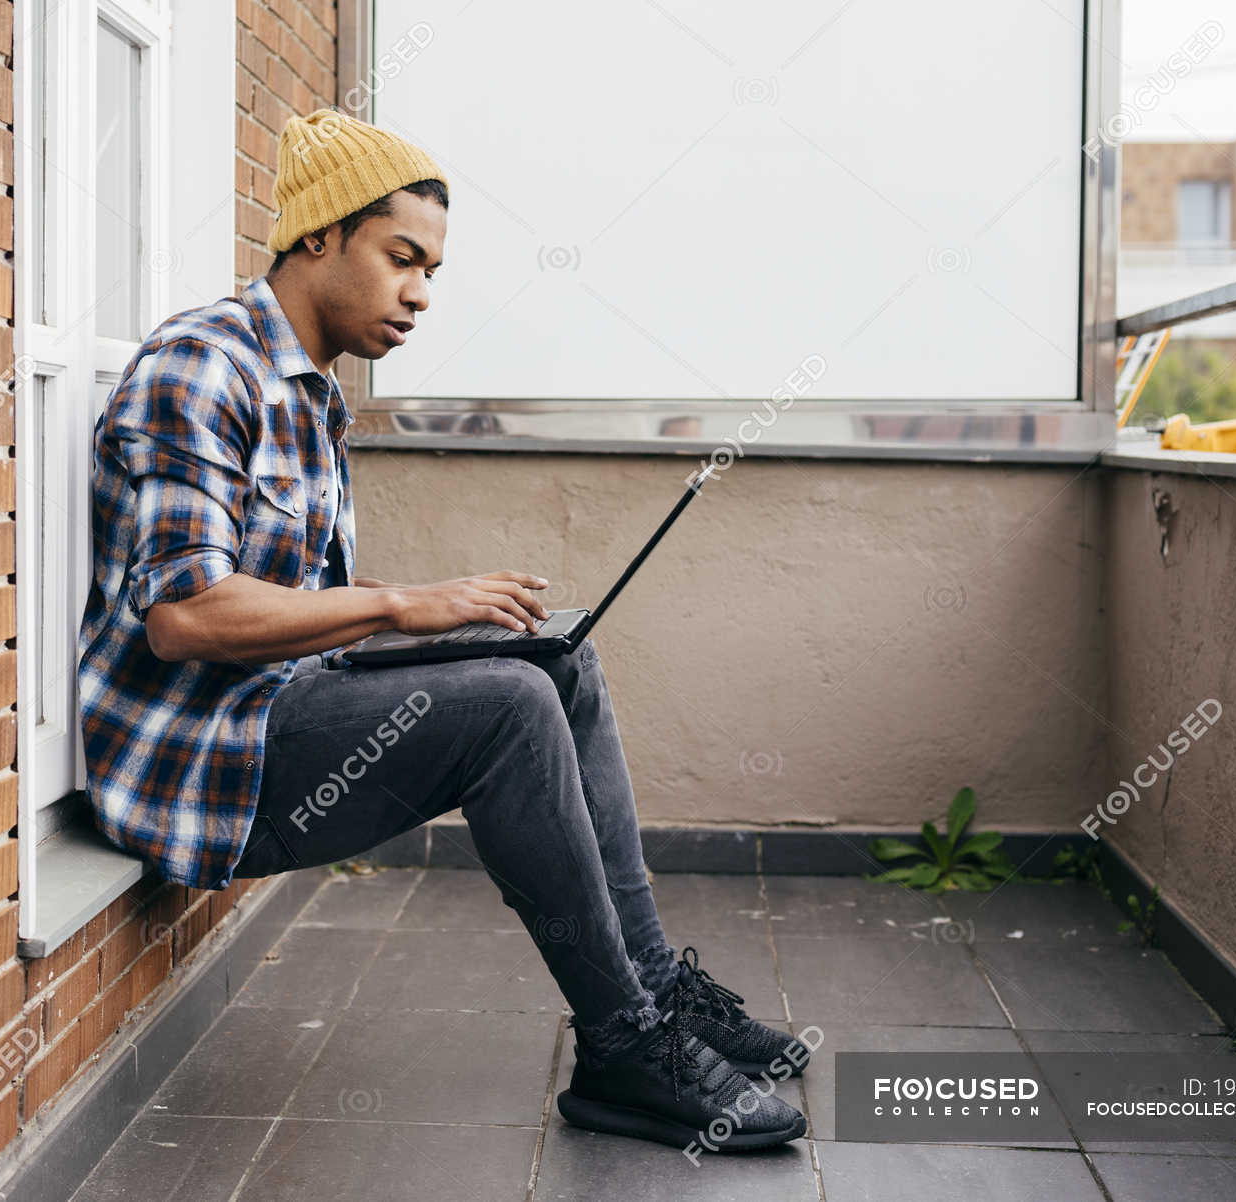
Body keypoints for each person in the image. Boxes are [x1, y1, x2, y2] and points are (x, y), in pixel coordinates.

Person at [77, 108, 809, 1150]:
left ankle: (654, 997)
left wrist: (444, 612)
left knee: (553, 663)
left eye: (432, 267)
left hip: (280, 711)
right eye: (402, 257)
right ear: (319, 235)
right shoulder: (204, 367)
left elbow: (284, 600)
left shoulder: (307, 391)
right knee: (507, 708)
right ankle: (623, 1047)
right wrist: (402, 603)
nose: (421, 291)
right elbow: (187, 616)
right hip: (203, 763)